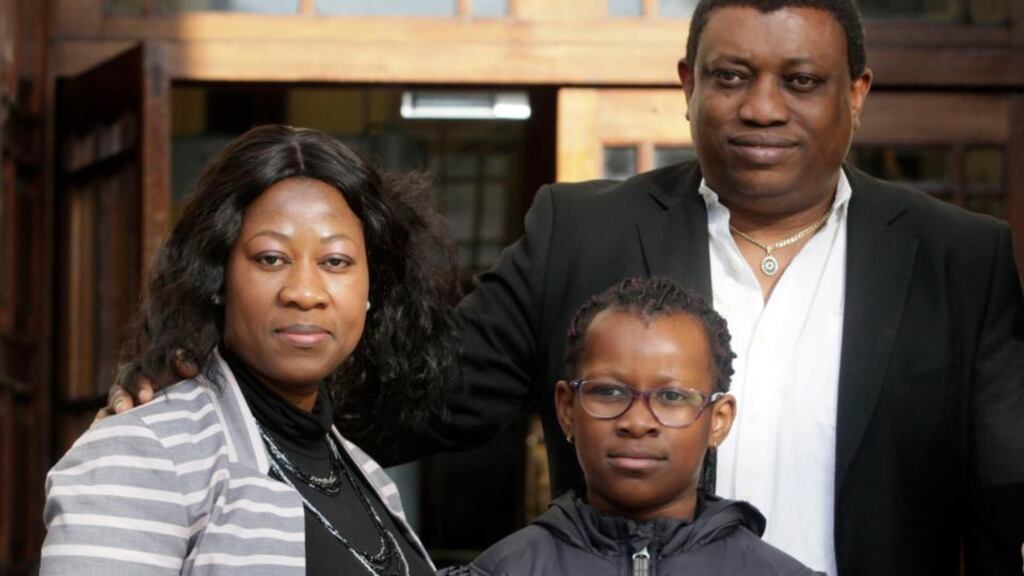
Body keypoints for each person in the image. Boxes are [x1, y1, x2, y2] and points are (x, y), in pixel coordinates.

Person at [103, 1, 1024, 574]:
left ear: (856, 93)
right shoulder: (580, 227)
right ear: (687, 85)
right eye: (732, 76)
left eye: (803, 80)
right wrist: (216, 395)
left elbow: (1003, 496)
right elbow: (419, 398)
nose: (762, 107)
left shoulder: (958, 258)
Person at [42, 125, 460, 575]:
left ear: (370, 288)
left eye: (335, 261)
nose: (304, 292)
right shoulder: (144, 451)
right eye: (271, 258)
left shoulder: (369, 477)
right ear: (218, 276)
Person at [442, 277, 820, 576]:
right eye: (608, 392)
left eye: (671, 397)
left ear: (718, 420)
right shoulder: (500, 570)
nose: (637, 423)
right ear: (567, 409)